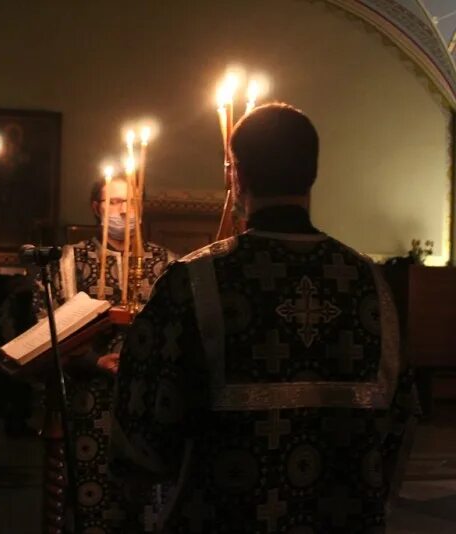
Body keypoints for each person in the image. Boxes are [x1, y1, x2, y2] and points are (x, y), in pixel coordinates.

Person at [112, 103, 418, 533]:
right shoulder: (370, 282)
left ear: (236, 174)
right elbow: (401, 412)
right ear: (313, 173)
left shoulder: (195, 280)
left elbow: (144, 426)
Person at [38, 175, 176, 533]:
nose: (122, 210)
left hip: (149, 406)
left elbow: (180, 331)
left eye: (129, 201)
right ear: (97, 208)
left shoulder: (167, 265)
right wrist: (93, 361)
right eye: (113, 202)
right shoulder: (69, 262)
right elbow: (46, 329)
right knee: (91, 501)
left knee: (147, 505)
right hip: (90, 404)